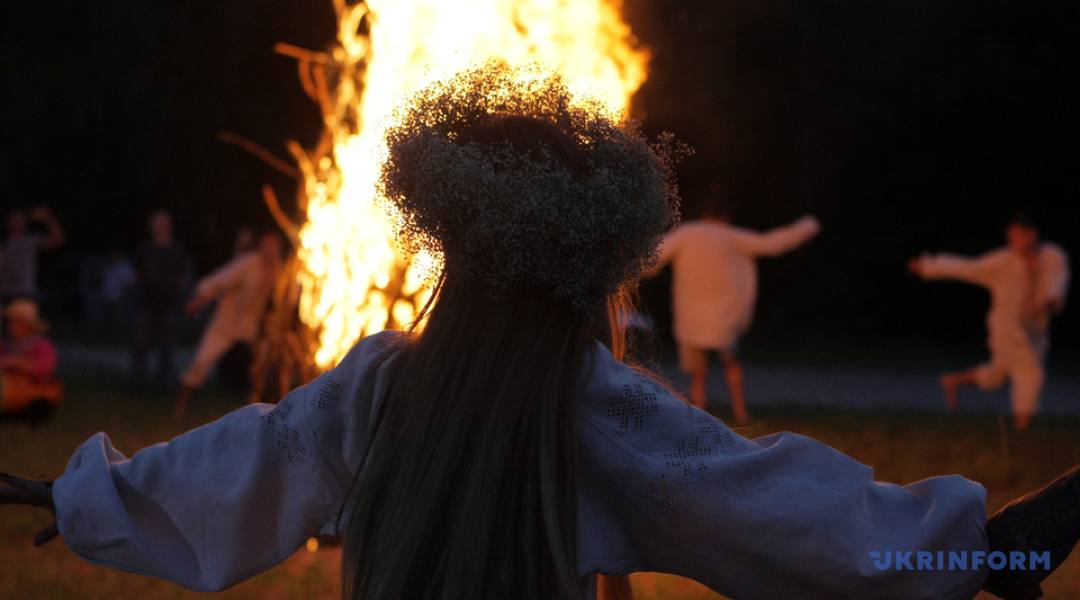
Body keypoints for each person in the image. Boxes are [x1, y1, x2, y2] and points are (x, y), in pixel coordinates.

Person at [1, 63, 1078, 600]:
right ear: (588, 267)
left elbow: (249, 463)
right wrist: (987, 552)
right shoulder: (602, 410)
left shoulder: (376, 384)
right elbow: (786, 514)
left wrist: (81, 497)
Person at [647, 200, 820, 423]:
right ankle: (740, 412)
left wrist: (622, 264)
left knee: (698, 371)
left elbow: (655, 255)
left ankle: (699, 414)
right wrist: (808, 225)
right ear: (727, 217)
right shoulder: (733, 236)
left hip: (692, 315)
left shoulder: (687, 233)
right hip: (725, 316)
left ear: (703, 215)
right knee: (732, 362)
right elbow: (772, 243)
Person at [908, 212, 1070, 430]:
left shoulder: (1052, 256)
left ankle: (952, 381)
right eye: (1011, 238)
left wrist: (1048, 302)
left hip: (1034, 330)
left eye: (1018, 237)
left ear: (1032, 234)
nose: (1014, 243)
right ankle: (1023, 429)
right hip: (1006, 327)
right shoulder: (1003, 261)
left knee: (998, 373)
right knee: (1029, 370)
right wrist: (927, 266)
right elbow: (967, 267)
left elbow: (1057, 281)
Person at [174, 231, 283, 417]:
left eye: (274, 247)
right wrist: (199, 300)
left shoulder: (280, 270)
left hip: (254, 325)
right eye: (267, 245)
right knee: (202, 361)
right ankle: (180, 407)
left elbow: (287, 297)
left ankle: (258, 408)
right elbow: (221, 280)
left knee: (262, 363)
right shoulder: (248, 263)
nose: (270, 251)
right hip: (228, 320)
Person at [129, 211, 192, 394]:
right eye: (157, 224)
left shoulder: (177, 250)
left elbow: (182, 274)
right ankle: (134, 386)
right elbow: (137, 271)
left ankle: (164, 388)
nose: (161, 228)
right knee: (140, 348)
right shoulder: (144, 248)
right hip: (146, 306)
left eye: (164, 224)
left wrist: (175, 291)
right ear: (151, 227)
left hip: (169, 307)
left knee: (167, 350)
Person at [0, 298, 62, 415]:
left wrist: (15, 362)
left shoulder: (42, 346)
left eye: (18, 323)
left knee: (41, 403)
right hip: (11, 389)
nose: (12, 326)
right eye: (10, 322)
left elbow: (44, 368)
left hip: (35, 389)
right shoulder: (4, 344)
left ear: (29, 326)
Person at [0, 206, 66, 303]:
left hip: (24, 293)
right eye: (13, 220)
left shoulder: (31, 241)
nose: (16, 223)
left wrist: (48, 219)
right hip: (4, 294)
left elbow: (58, 240)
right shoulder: (3, 243)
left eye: (19, 220)